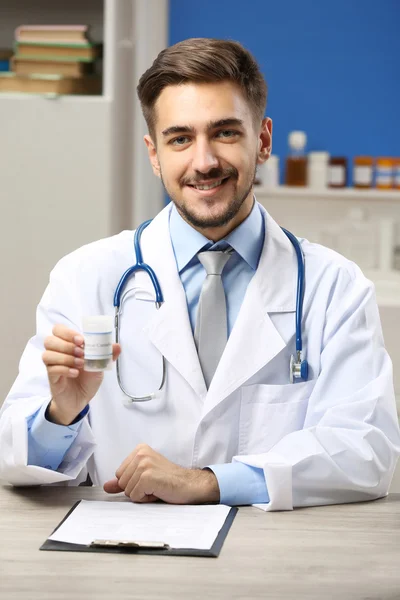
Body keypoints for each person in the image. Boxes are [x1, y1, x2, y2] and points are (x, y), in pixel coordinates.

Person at [0, 38, 399, 511]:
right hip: (128, 564)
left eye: (226, 133)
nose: (204, 161)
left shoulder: (334, 286)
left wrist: (209, 482)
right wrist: (61, 414)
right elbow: (14, 460)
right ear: (154, 153)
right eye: (180, 138)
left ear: (264, 140)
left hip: (276, 570)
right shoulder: (86, 277)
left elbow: (366, 451)